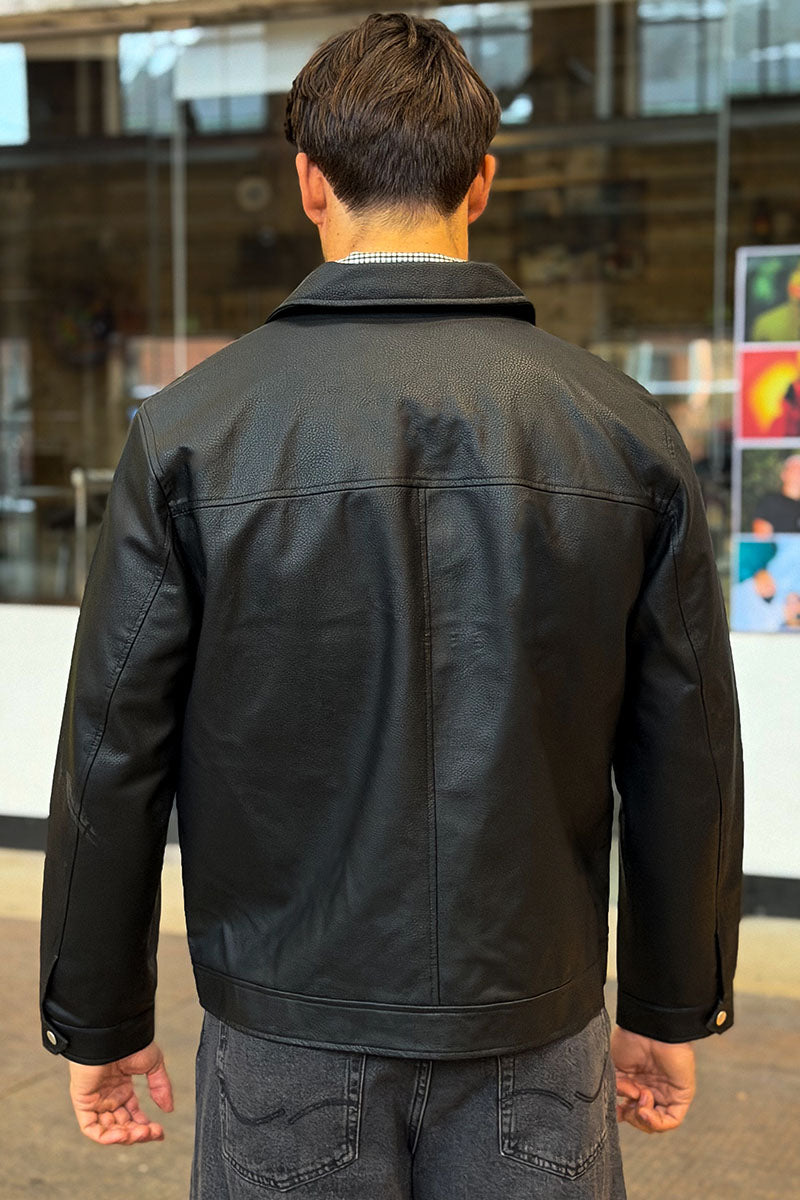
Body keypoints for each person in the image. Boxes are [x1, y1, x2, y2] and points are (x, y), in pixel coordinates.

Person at [39, 13, 744, 1199]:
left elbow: (112, 751)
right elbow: (688, 749)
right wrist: (669, 1001)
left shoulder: (192, 435)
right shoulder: (621, 432)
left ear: (308, 182)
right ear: (483, 181)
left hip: (284, 1029)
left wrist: (97, 1015)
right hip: (534, 1024)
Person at [751, 452, 800, 534]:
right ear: (783, 475)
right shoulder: (769, 502)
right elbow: (760, 533)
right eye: (793, 471)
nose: (797, 476)